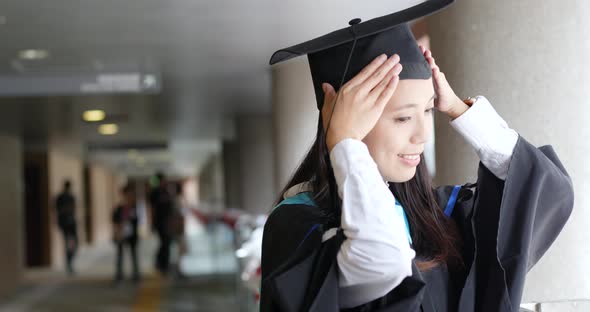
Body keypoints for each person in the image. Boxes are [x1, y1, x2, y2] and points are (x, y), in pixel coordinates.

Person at [260, 0, 574, 311]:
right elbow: (383, 260)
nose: (422, 135)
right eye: (403, 118)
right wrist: (344, 142)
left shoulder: (436, 217)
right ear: (341, 121)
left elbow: (546, 190)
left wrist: (457, 109)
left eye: (427, 110)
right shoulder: (299, 226)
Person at [112, 183, 141, 283]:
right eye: (126, 194)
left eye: (130, 194)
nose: (128, 196)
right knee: (120, 255)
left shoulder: (135, 207)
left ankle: (136, 275)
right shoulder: (119, 208)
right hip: (121, 234)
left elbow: (137, 221)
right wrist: (117, 232)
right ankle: (119, 275)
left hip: (132, 235)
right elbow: (115, 221)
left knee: (134, 254)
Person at [149, 172, 173, 275]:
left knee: (167, 242)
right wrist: (152, 223)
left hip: (168, 222)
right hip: (159, 222)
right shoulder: (154, 193)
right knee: (165, 242)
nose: (165, 182)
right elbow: (152, 209)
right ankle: (161, 263)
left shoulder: (167, 192)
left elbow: (171, 207)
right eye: (163, 180)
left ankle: (164, 264)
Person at [55, 179, 78, 275]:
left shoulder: (70, 197)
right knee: (69, 243)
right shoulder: (61, 197)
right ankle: (69, 263)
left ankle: (69, 262)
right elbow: (57, 209)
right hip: (66, 224)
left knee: (73, 243)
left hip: (70, 223)